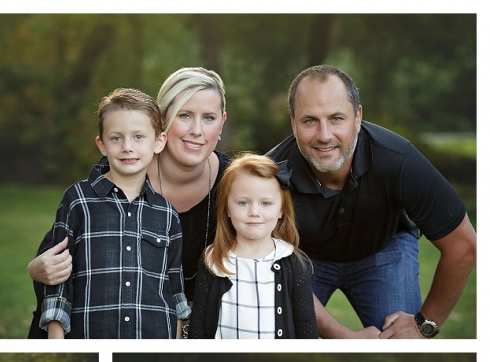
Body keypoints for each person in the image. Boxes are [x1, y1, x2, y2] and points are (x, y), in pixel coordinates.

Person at [267, 65, 477, 338]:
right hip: (303, 259)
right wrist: (345, 337)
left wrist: (424, 325)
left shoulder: (397, 160)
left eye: (336, 118)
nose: (324, 135)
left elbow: (463, 246)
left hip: (384, 246)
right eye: (309, 121)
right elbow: (265, 263)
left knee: (403, 346)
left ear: (357, 117)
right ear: (293, 123)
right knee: (274, 334)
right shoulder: (270, 175)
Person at [28, 67, 230, 334]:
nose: (196, 130)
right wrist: (36, 268)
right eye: (184, 115)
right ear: (162, 121)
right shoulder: (119, 168)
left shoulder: (236, 184)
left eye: (209, 118)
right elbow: (59, 259)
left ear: (221, 123)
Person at [39, 88, 188, 340]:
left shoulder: (167, 214)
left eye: (138, 137)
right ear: (102, 144)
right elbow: (58, 282)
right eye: (116, 138)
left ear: (159, 142)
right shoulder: (78, 200)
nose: (127, 147)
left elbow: (175, 291)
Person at [188, 153, 317, 338]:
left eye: (266, 203)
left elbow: (306, 326)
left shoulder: (292, 262)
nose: (254, 212)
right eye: (243, 202)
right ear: (227, 208)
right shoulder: (213, 260)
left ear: (281, 209)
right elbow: (198, 325)